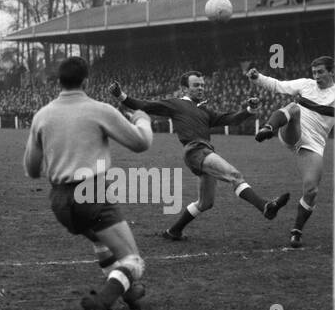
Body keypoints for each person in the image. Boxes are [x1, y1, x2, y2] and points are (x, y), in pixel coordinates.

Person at [24, 57, 153, 310]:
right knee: (134, 262)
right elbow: (141, 143)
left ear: (59, 81)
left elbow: (32, 170)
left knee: (98, 238)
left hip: (59, 201)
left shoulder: (42, 116)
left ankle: (128, 293)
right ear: (86, 81)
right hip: (91, 193)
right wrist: (142, 118)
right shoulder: (98, 110)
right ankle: (101, 301)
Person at [110, 70, 290, 240]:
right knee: (234, 175)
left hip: (204, 152)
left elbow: (230, 119)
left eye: (202, 85)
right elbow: (144, 105)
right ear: (184, 89)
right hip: (195, 150)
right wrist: (120, 95)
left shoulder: (204, 110)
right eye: (196, 85)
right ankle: (265, 206)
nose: (201, 88)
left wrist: (249, 110)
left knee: (205, 203)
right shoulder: (176, 104)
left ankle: (174, 231)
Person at [247, 55, 335, 248]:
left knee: (311, 190)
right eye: (314, 72)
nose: (317, 76)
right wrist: (257, 77)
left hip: (313, 145)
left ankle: (296, 231)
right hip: (292, 131)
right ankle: (268, 128)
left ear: (331, 72)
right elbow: (279, 85)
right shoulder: (305, 85)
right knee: (294, 108)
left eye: (321, 72)